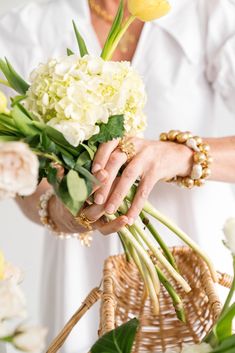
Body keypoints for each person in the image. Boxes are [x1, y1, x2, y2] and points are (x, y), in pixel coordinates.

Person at [1, 0, 235, 351]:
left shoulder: (209, 12)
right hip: (81, 278)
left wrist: (183, 155)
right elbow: (20, 176)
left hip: (194, 272)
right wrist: (58, 209)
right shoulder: (26, 25)